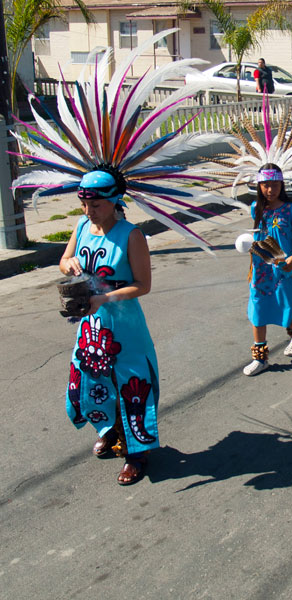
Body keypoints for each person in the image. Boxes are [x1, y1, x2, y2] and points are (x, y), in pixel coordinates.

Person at [59, 171, 159, 486]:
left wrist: (104, 297)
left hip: (124, 323)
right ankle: (110, 431)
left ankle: (136, 453)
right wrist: (71, 264)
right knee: (90, 379)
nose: (89, 212)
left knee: (130, 383)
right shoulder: (81, 226)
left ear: (115, 200)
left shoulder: (132, 235)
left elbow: (143, 285)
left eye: (97, 205)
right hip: (91, 321)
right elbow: (63, 260)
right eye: (84, 204)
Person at [243, 164, 292, 376]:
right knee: (258, 309)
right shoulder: (256, 208)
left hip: (283, 269)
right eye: (265, 185)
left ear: (282, 185)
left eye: (275, 185)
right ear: (258, 186)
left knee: (287, 307)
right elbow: (257, 235)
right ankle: (260, 358)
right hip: (260, 269)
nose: (270, 190)